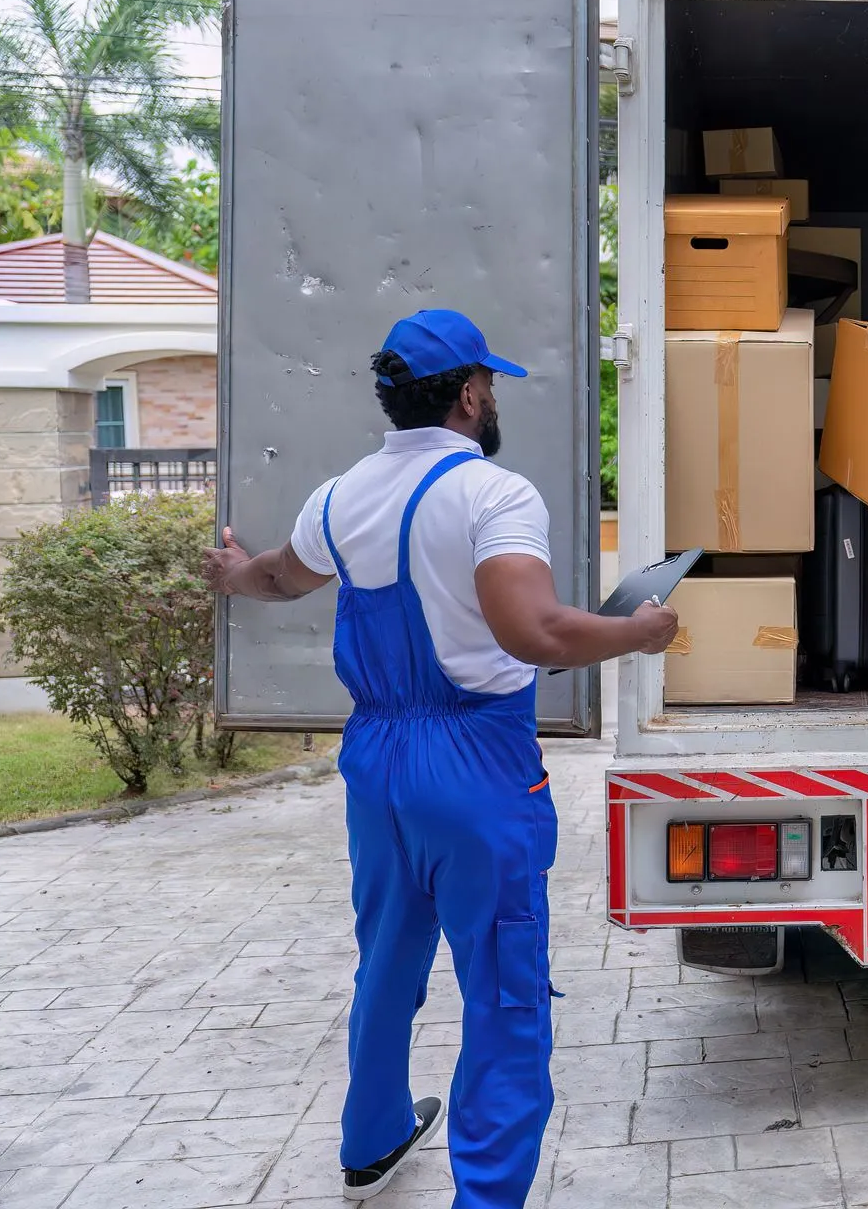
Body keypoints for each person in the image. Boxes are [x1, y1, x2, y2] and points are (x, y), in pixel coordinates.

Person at [204, 309, 677, 1207]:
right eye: (489, 383)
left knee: (386, 953)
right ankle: (487, 1196)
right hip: (473, 761)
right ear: (467, 394)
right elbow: (533, 632)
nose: (492, 397)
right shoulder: (494, 494)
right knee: (502, 989)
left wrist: (232, 577)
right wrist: (639, 631)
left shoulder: (339, 497)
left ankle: (372, 1135)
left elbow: (278, 576)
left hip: (377, 760)